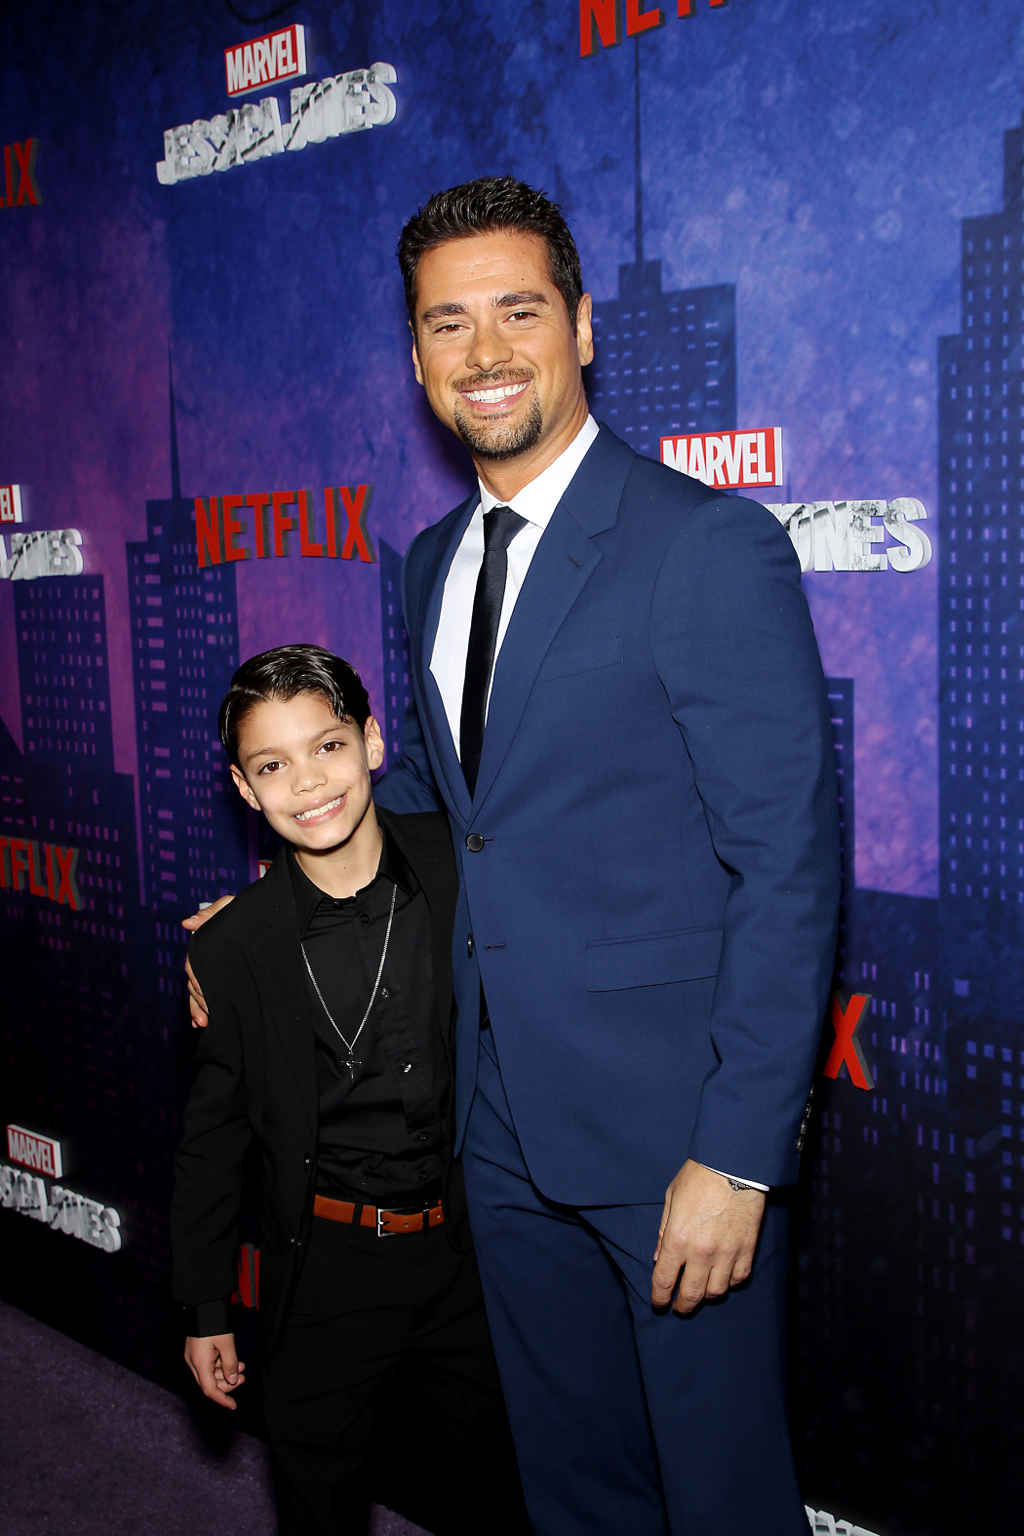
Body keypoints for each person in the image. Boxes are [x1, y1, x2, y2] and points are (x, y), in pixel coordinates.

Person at [188, 177, 840, 1535]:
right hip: (493, 1131)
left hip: (672, 1138)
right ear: (416, 355)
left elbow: (787, 865)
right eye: (448, 323)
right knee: (573, 1489)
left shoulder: (701, 543)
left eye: (518, 311)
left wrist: (737, 1157)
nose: (483, 351)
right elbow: (441, 804)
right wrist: (263, 916)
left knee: (721, 1496)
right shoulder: (433, 560)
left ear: (583, 326)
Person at [171, 644, 525, 1536]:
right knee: (316, 1500)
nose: (306, 782)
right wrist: (206, 1307)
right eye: (271, 765)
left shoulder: (462, 869)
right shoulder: (233, 947)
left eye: (326, 746)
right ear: (244, 789)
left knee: (500, 1494)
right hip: (325, 1265)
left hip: (470, 1254)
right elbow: (213, 1139)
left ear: (371, 742)